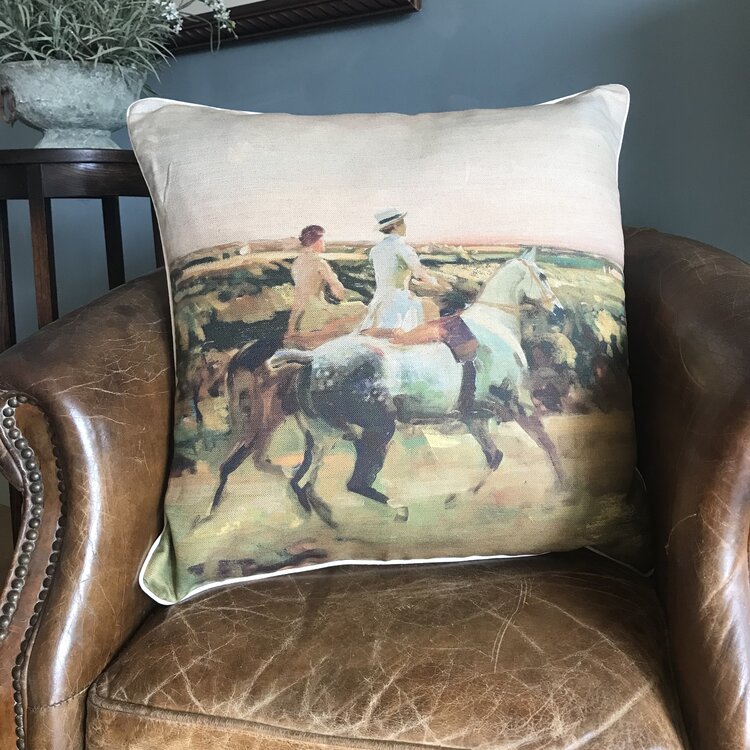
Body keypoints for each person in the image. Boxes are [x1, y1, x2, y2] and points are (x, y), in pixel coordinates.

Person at [359, 209, 440, 333]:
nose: (405, 226)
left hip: (379, 299)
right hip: (399, 301)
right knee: (432, 309)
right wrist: (435, 284)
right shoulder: (403, 248)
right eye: (403, 223)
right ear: (396, 225)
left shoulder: (376, 250)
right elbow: (420, 274)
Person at [287, 225, 364, 343]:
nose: (324, 243)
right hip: (318, 312)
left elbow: (299, 294)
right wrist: (341, 295)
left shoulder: (297, 263)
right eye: (323, 240)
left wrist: (291, 325)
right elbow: (339, 292)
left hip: (302, 314)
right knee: (362, 308)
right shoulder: (320, 263)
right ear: (316, 241)